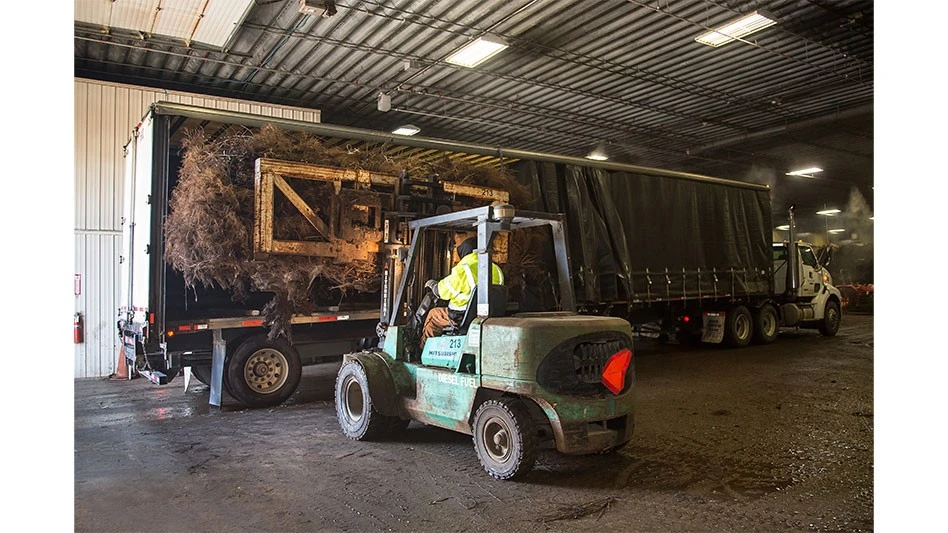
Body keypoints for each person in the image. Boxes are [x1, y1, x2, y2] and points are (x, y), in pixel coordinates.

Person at [419, 236, 504, 348]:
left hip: (461, 317)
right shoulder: (496, 270)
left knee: (433, 315)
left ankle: (423, 352)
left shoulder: (463, 270)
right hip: (488, 317)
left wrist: (433, 284)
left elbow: (442, 292)